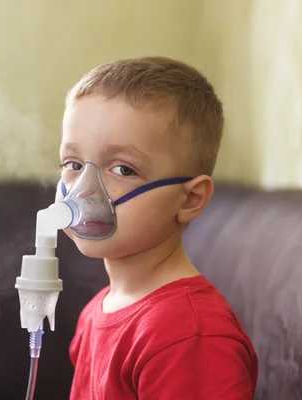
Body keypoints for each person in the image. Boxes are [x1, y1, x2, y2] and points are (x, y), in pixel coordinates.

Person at [57, 56, 258, 399]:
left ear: (189, 199)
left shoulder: (189, 336)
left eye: (123, 169)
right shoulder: (99, 310)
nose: (84, 190)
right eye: (74, 164)